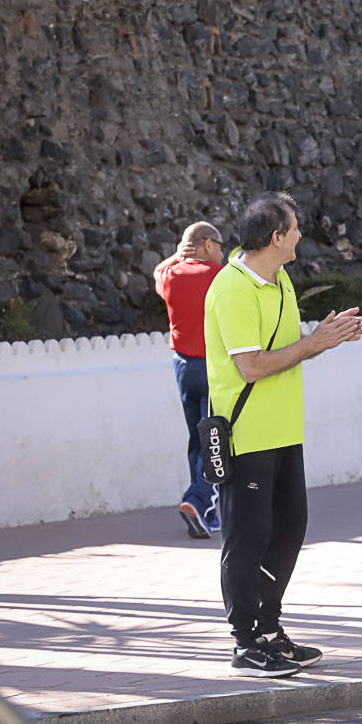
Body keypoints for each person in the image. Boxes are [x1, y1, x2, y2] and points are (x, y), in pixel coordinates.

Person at [205, 192, 362, 678]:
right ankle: (244, 642)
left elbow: (289, 350)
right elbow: (252, 367)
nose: (300, 235)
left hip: (283, 431)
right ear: (276, 238)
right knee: (247, 538)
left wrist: (325, 337)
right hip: (245, 434)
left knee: (288, 531)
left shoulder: (280, 282)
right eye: (294, 229)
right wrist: (314, 342)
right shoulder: (231, 289)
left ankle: (270, 630)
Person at [154, 222, 225, 539]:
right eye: (220, 245)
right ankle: (197, 500)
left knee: (197, 439)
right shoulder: (217, 276)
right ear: (208, 243)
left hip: (183, 368)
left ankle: (207, 514)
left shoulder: (169, 276)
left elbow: (157, 271)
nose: (222, 252)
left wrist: (174, 256)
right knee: (215, 438)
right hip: (212, 368)